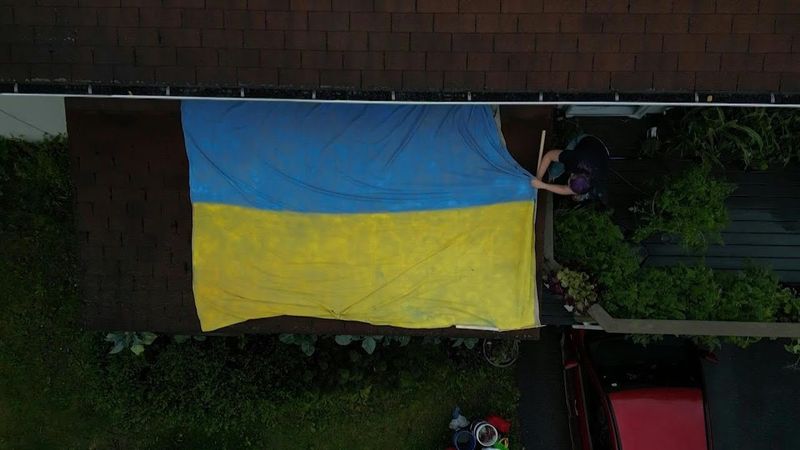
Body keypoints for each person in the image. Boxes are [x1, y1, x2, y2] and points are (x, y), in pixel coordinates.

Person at [531, 135, 609, 202]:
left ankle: (579, 193)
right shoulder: (575, 159)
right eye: (569, 185)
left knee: (578, 189)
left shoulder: (596, 181)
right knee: (555, 170)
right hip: (588, 141)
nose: (568, 186)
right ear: (572, 174)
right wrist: (539, 177)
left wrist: (544, 186)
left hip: (603, 156)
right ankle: (551, 177)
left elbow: (566, 189)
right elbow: (549, 155)